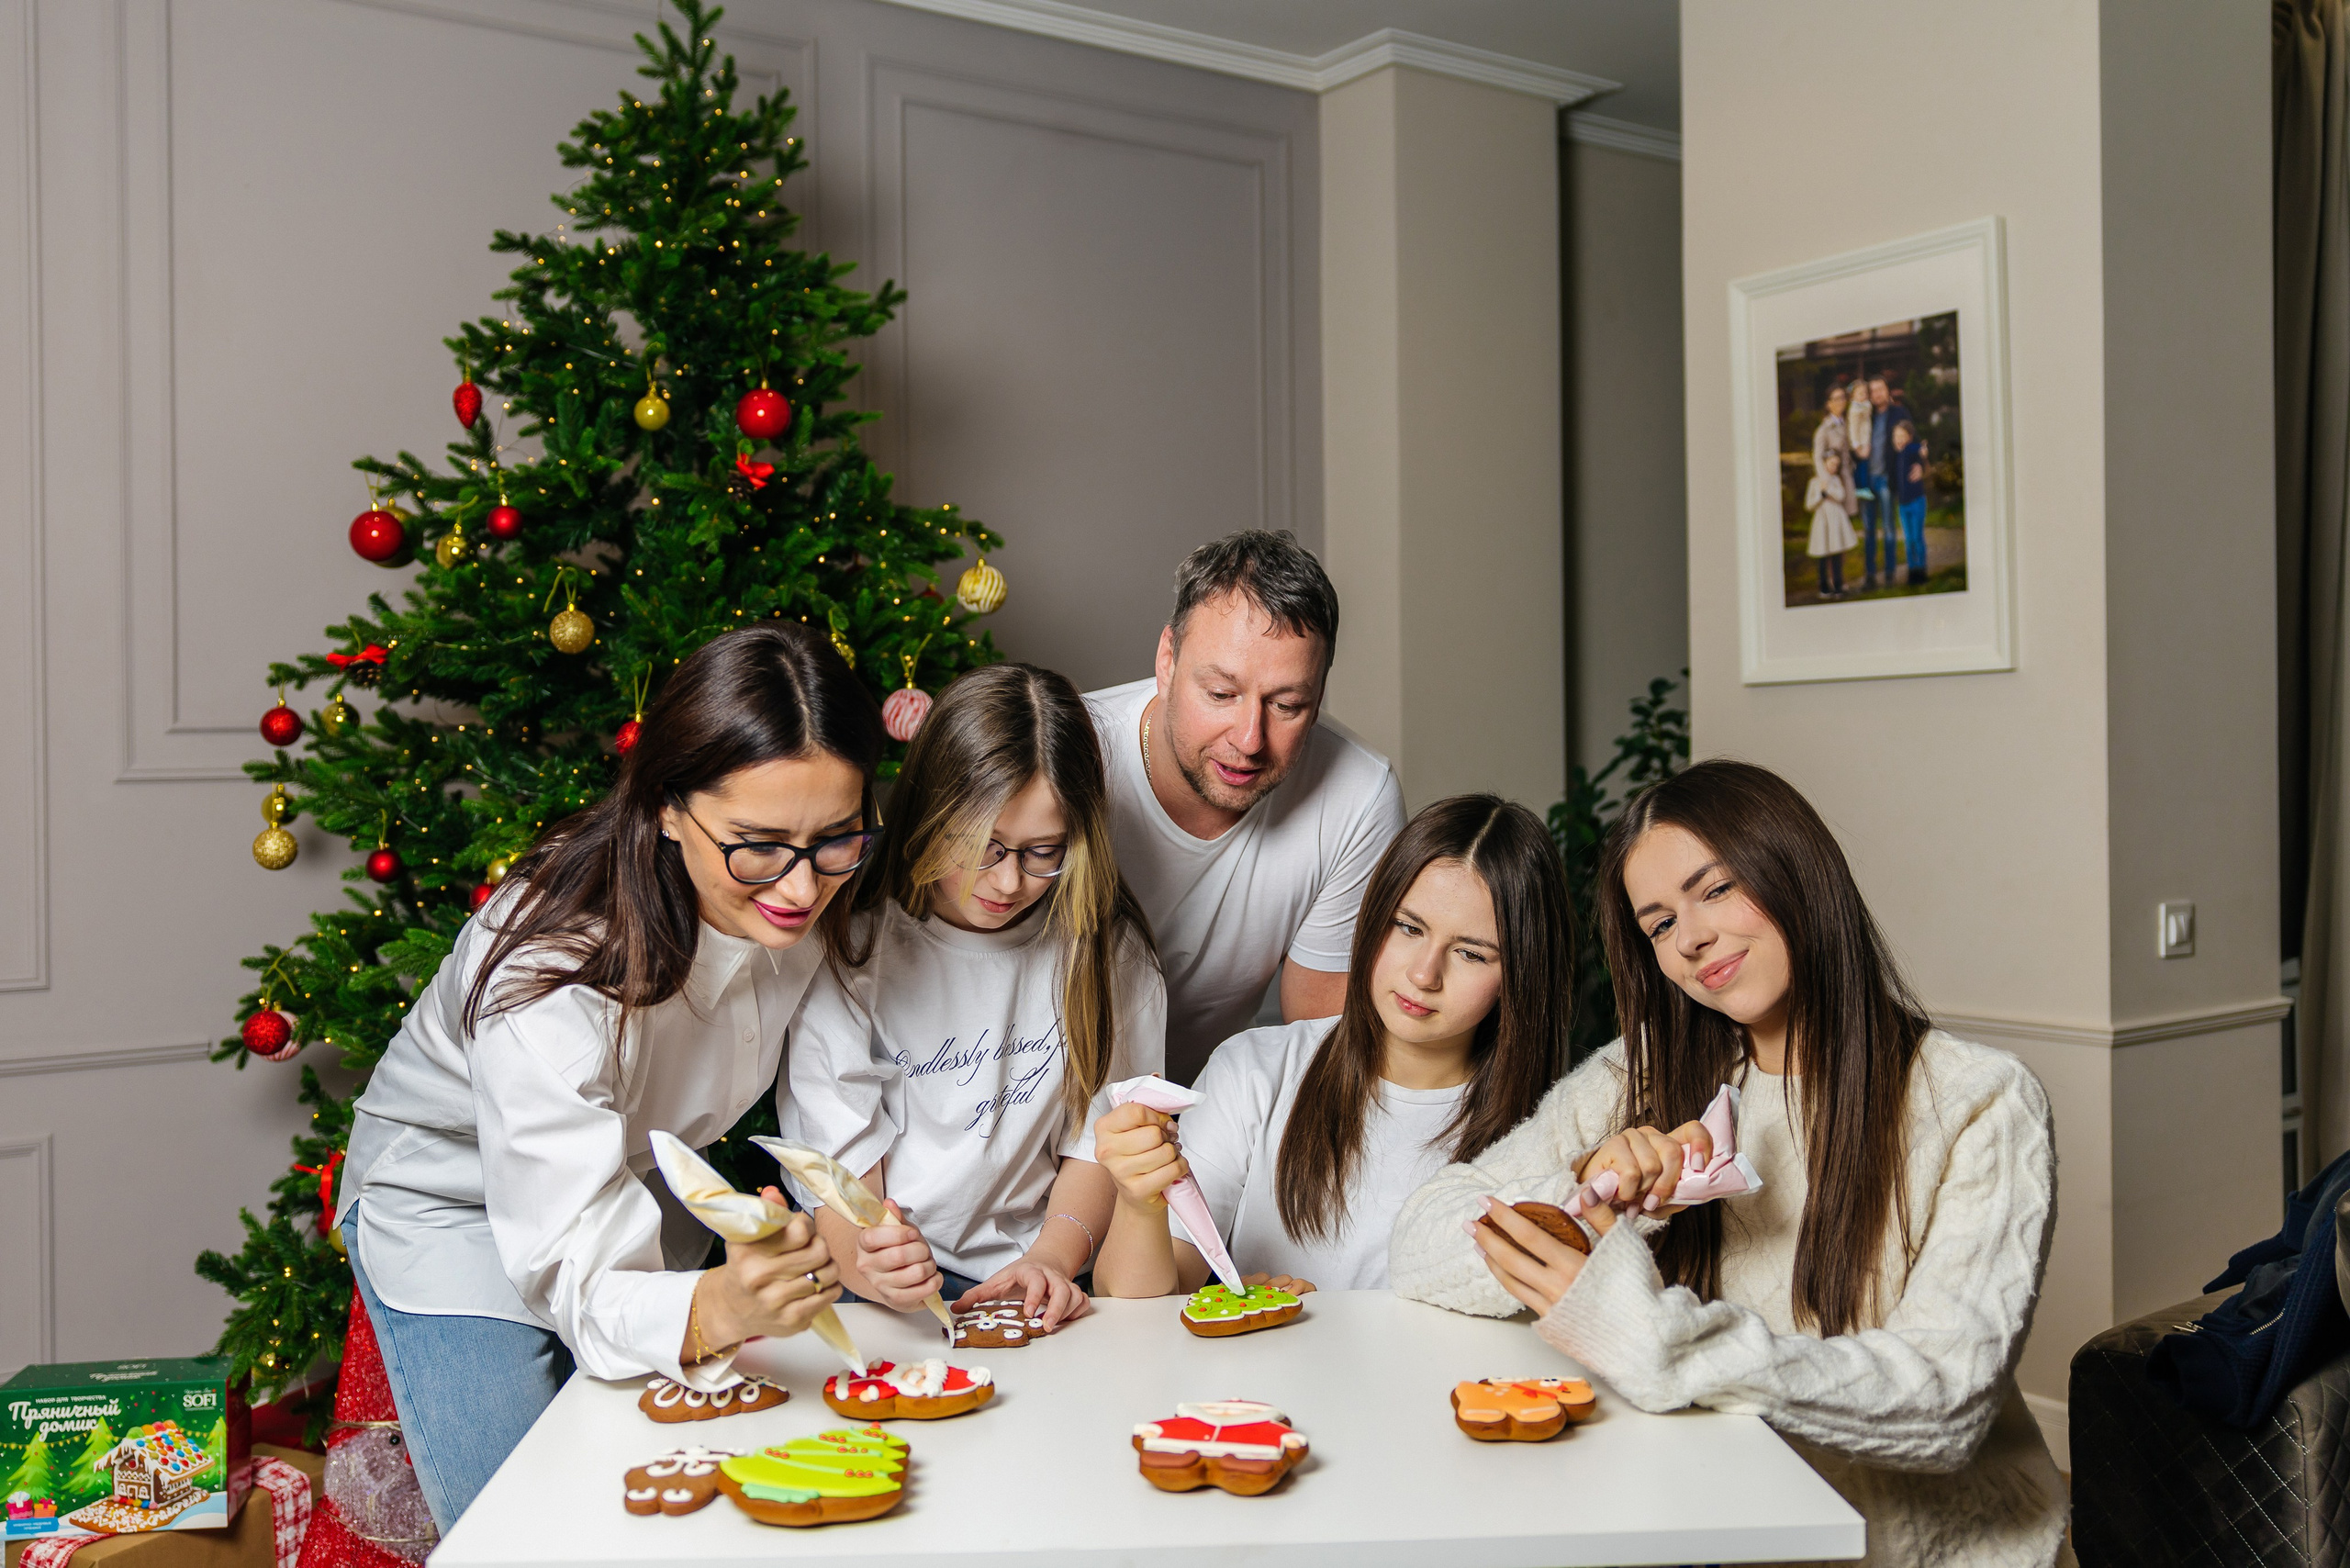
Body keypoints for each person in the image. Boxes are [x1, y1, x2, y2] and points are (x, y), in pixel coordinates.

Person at [1389, 760, 2065, 1567]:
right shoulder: (1639, 1073)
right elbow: (1419, 1242)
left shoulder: (1980, 1100)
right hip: (1708, 1528)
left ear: (1798, 872)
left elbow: (1943, 1402)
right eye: (1659, 924)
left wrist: (1647, 1336)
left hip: (1926, 1551)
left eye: (1715, 890)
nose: (1691, 938)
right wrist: (1597, 1198)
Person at [332, 624, 878, 1530]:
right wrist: (713, 1304)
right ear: (665, 805)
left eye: (836, 839)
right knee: (521, 1525)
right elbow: (578, 1266)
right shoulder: (547, 965)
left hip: (638, 1174)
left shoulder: (814, 890)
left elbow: (833, 1088)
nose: (798, 885)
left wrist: (848, 1219)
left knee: (704, 1474)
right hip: (447, 1204)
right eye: (757, 843)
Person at [779, 663, 1164, 1327]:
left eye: (1044, 851)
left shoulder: (1108, 955)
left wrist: (1049, 1258)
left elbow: (1099, 1149)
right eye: (983, 847)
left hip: (1047, 1268)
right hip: (878, 1280)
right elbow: (841, 1195)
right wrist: (876, 1267)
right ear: (933, 811)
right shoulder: (849, 949)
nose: (1009, 881)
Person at [1089, 794, 1571, 1294]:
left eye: (1471, 954)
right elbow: (1135, 1308)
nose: (1424, 974)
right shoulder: (1254, 1073)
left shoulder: (1558, 1128)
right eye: (1408, 928)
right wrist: (1138, 1202)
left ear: (1522, 973)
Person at [1087, 531, 1407, 1084]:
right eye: (1220, 695)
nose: (1250, 738)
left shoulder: (1359, 794)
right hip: (1043, 1101)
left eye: (1287, 705)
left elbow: (1318, 1037)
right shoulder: (1073, 758)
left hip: (1212, 1109)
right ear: (1167, 659)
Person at [1806, 450, 1858, 600]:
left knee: (1836, 554)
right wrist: (1820, 495)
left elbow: (1841, 496)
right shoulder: (1814, 482)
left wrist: (1828, 489)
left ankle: (1838, 585)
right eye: (1831, 464)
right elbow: (1809, 505)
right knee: (1822, 556)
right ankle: (1824, 587)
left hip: (1836, 521)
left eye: (1836, 464)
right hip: (1822, 522)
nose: (1834, 467)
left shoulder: (1835, 480)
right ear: (1824, 464)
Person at [1844, 376, 1880, 587]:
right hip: (1861, 445)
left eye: (1865, 393)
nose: (1864, 396)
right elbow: (1854, 429)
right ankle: (1862, 488)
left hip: (1866, 443)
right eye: (1860, 393)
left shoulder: (1864, 406)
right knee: (1862, 468)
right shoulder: (1855, 409)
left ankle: (1864, 487)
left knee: (1865, 469)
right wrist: (1858, 446)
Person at [1891, 419, 1931, 588]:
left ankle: (1921, 570)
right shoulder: (1897, 455)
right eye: (1896, 436)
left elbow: (1920, 450)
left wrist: (1923, 452)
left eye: (1902, 436)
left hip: (1917, 502)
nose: (1899, 439)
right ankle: (1912, 571)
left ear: (1909, 437)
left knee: (1917, 537)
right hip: (1903, 505)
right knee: (1908, 540)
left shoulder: (1910, 450)